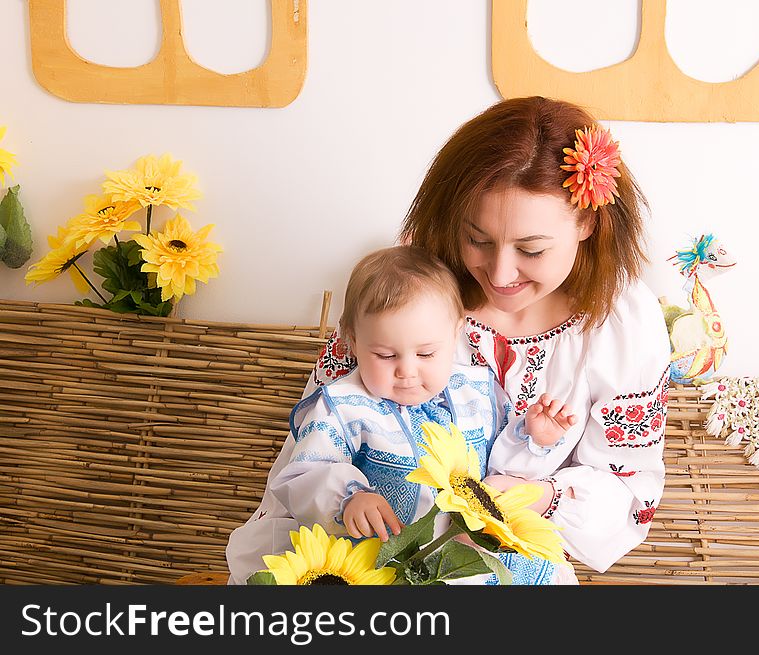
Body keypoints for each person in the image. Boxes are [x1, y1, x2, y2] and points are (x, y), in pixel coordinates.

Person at [308, 96, 670, 577]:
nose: (499, 274)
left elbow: (629, 485)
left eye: (531, 249)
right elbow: (318, 438)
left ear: (586, 222)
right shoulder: (408, 290)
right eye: (477, 239)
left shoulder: (624, 322)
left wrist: (544, 495)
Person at [225, 245, 578, 584]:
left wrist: (532, 438)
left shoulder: (475, 392)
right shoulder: (344, 405)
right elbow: (304, 474)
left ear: (456, 334)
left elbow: (500, 474)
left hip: (465, 555)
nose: (407, 371)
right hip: (382, 558)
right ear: (353, 340)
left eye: (426, 354)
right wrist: (349, 497)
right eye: (385, 355)